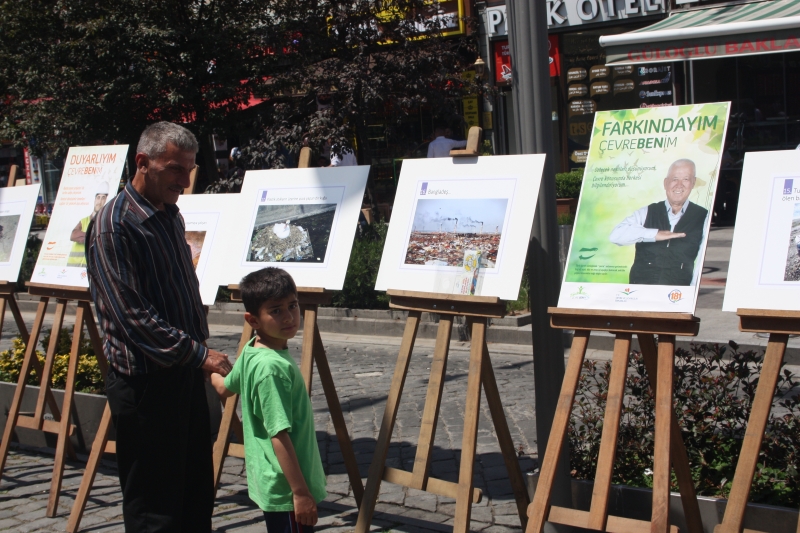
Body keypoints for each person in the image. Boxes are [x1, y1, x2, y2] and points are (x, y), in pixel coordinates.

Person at [85, 122, 232, 532]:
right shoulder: (114, 226)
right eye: (174, 169)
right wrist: (201, 354)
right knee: (157, 507)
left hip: (183, 375)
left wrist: (195, 355)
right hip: (146, 385)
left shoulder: (169, 212)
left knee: (194, 494)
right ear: (143, 163)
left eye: (189, 169)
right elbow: (133, 318)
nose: (184, 181)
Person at [210, 267, 326, 533]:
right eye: (276, 310)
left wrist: (211, 371)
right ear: (253, 321)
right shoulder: (272, 369)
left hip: (272, 480)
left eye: (293, 305)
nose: (289, 317)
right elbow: (279, 435)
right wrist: (300, 493)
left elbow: (224, 388)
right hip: (287, 490)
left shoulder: (252, 350)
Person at [609, 158, 708, 286]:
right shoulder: (647, 212)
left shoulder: (703, 216)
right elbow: (616, 236)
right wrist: (654, 234)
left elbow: (700, 262)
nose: (679, 184)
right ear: (666, 183)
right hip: (640, 290)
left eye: (686, 179)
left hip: (677, 294)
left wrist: (691, 293)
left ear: (693, 183)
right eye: (674, 179)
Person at [68, 181, 109, 267]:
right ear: (95, 199)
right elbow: (73, 236)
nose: (100, 201)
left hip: (89, 268)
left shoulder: (105, 221)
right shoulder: (84, 220)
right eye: (98, 197)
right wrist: (93, 237)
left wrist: (83, 237)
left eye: (103, 198)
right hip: (73, 267)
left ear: (106, 200)